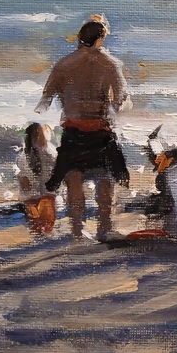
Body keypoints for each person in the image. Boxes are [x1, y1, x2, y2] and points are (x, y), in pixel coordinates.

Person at [35, 16, 131, 241]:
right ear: (100, 38)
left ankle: (78, 232)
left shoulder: (63, 65)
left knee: (74, 180)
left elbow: (44, 102)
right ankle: (105, 228)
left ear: (80, 37)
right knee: (105, 181)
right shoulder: (110, 64)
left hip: (73, 132)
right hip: (99, 131)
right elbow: (120, 103)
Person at [17, 123, 58, 234]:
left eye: (41, 134)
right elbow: (22, 175)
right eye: (39, 134)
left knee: (46, 223)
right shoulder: (24, 155)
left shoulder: (51, 151)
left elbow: (56, 169)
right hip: (31, 194)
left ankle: (45, 237)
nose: (42, 137)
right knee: (36, 224)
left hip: (47, 192)